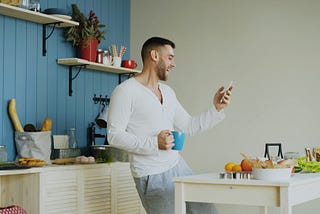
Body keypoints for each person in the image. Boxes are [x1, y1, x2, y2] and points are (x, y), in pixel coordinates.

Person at [107, 37, 233, 214]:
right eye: (170, 57)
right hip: (151, 175)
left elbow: (189, 126)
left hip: (178, 167)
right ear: (154, 55)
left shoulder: (168, 92)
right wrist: (154, 143)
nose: (173, 64)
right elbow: (114, 135)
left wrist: (216, 109)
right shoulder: (125, 91)